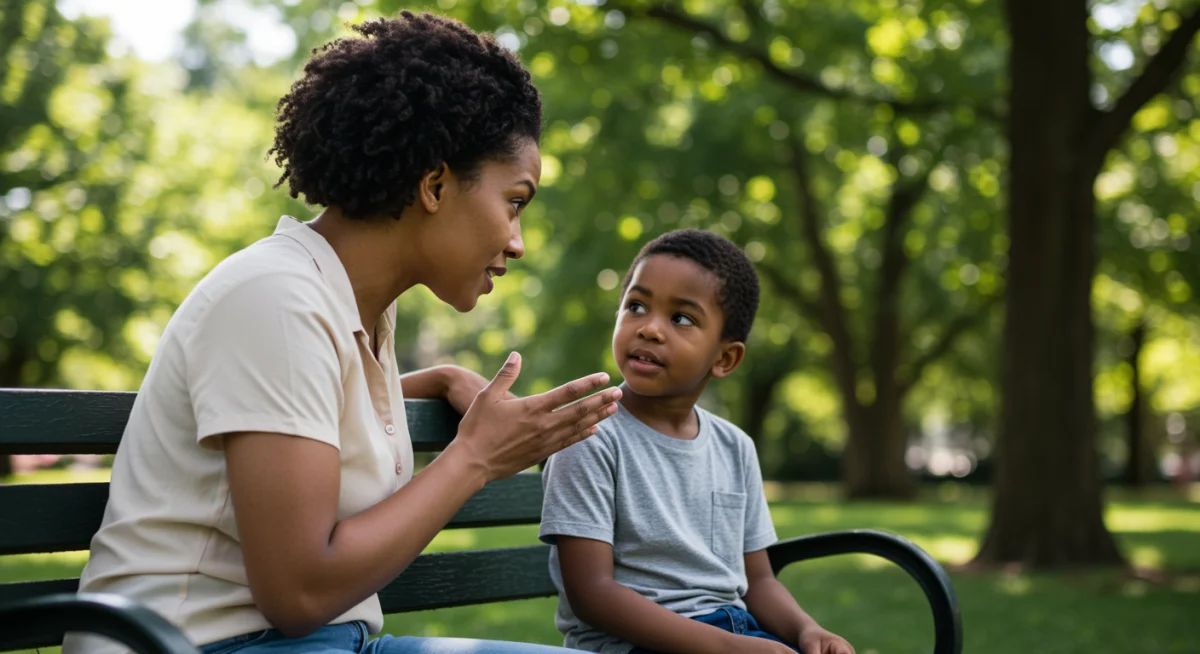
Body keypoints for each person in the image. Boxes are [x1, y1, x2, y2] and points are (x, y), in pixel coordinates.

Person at [63, 12, 621, 654]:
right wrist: (475, 457)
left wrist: (435, 380)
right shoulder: (275, 299)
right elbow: (298, 594)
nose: (517, 241)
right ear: (436, 184)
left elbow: (297, 419)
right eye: (515, 201)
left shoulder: (347, 304)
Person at [539, 230, 855, 654]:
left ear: (724, 359)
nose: (649, 328)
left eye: (681, 318)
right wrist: (729, 649)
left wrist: (805, 630)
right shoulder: (589, 435)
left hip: (735, 633)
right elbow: (592, 595)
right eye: (636, 306)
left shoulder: (734, 446)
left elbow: (758, 580)